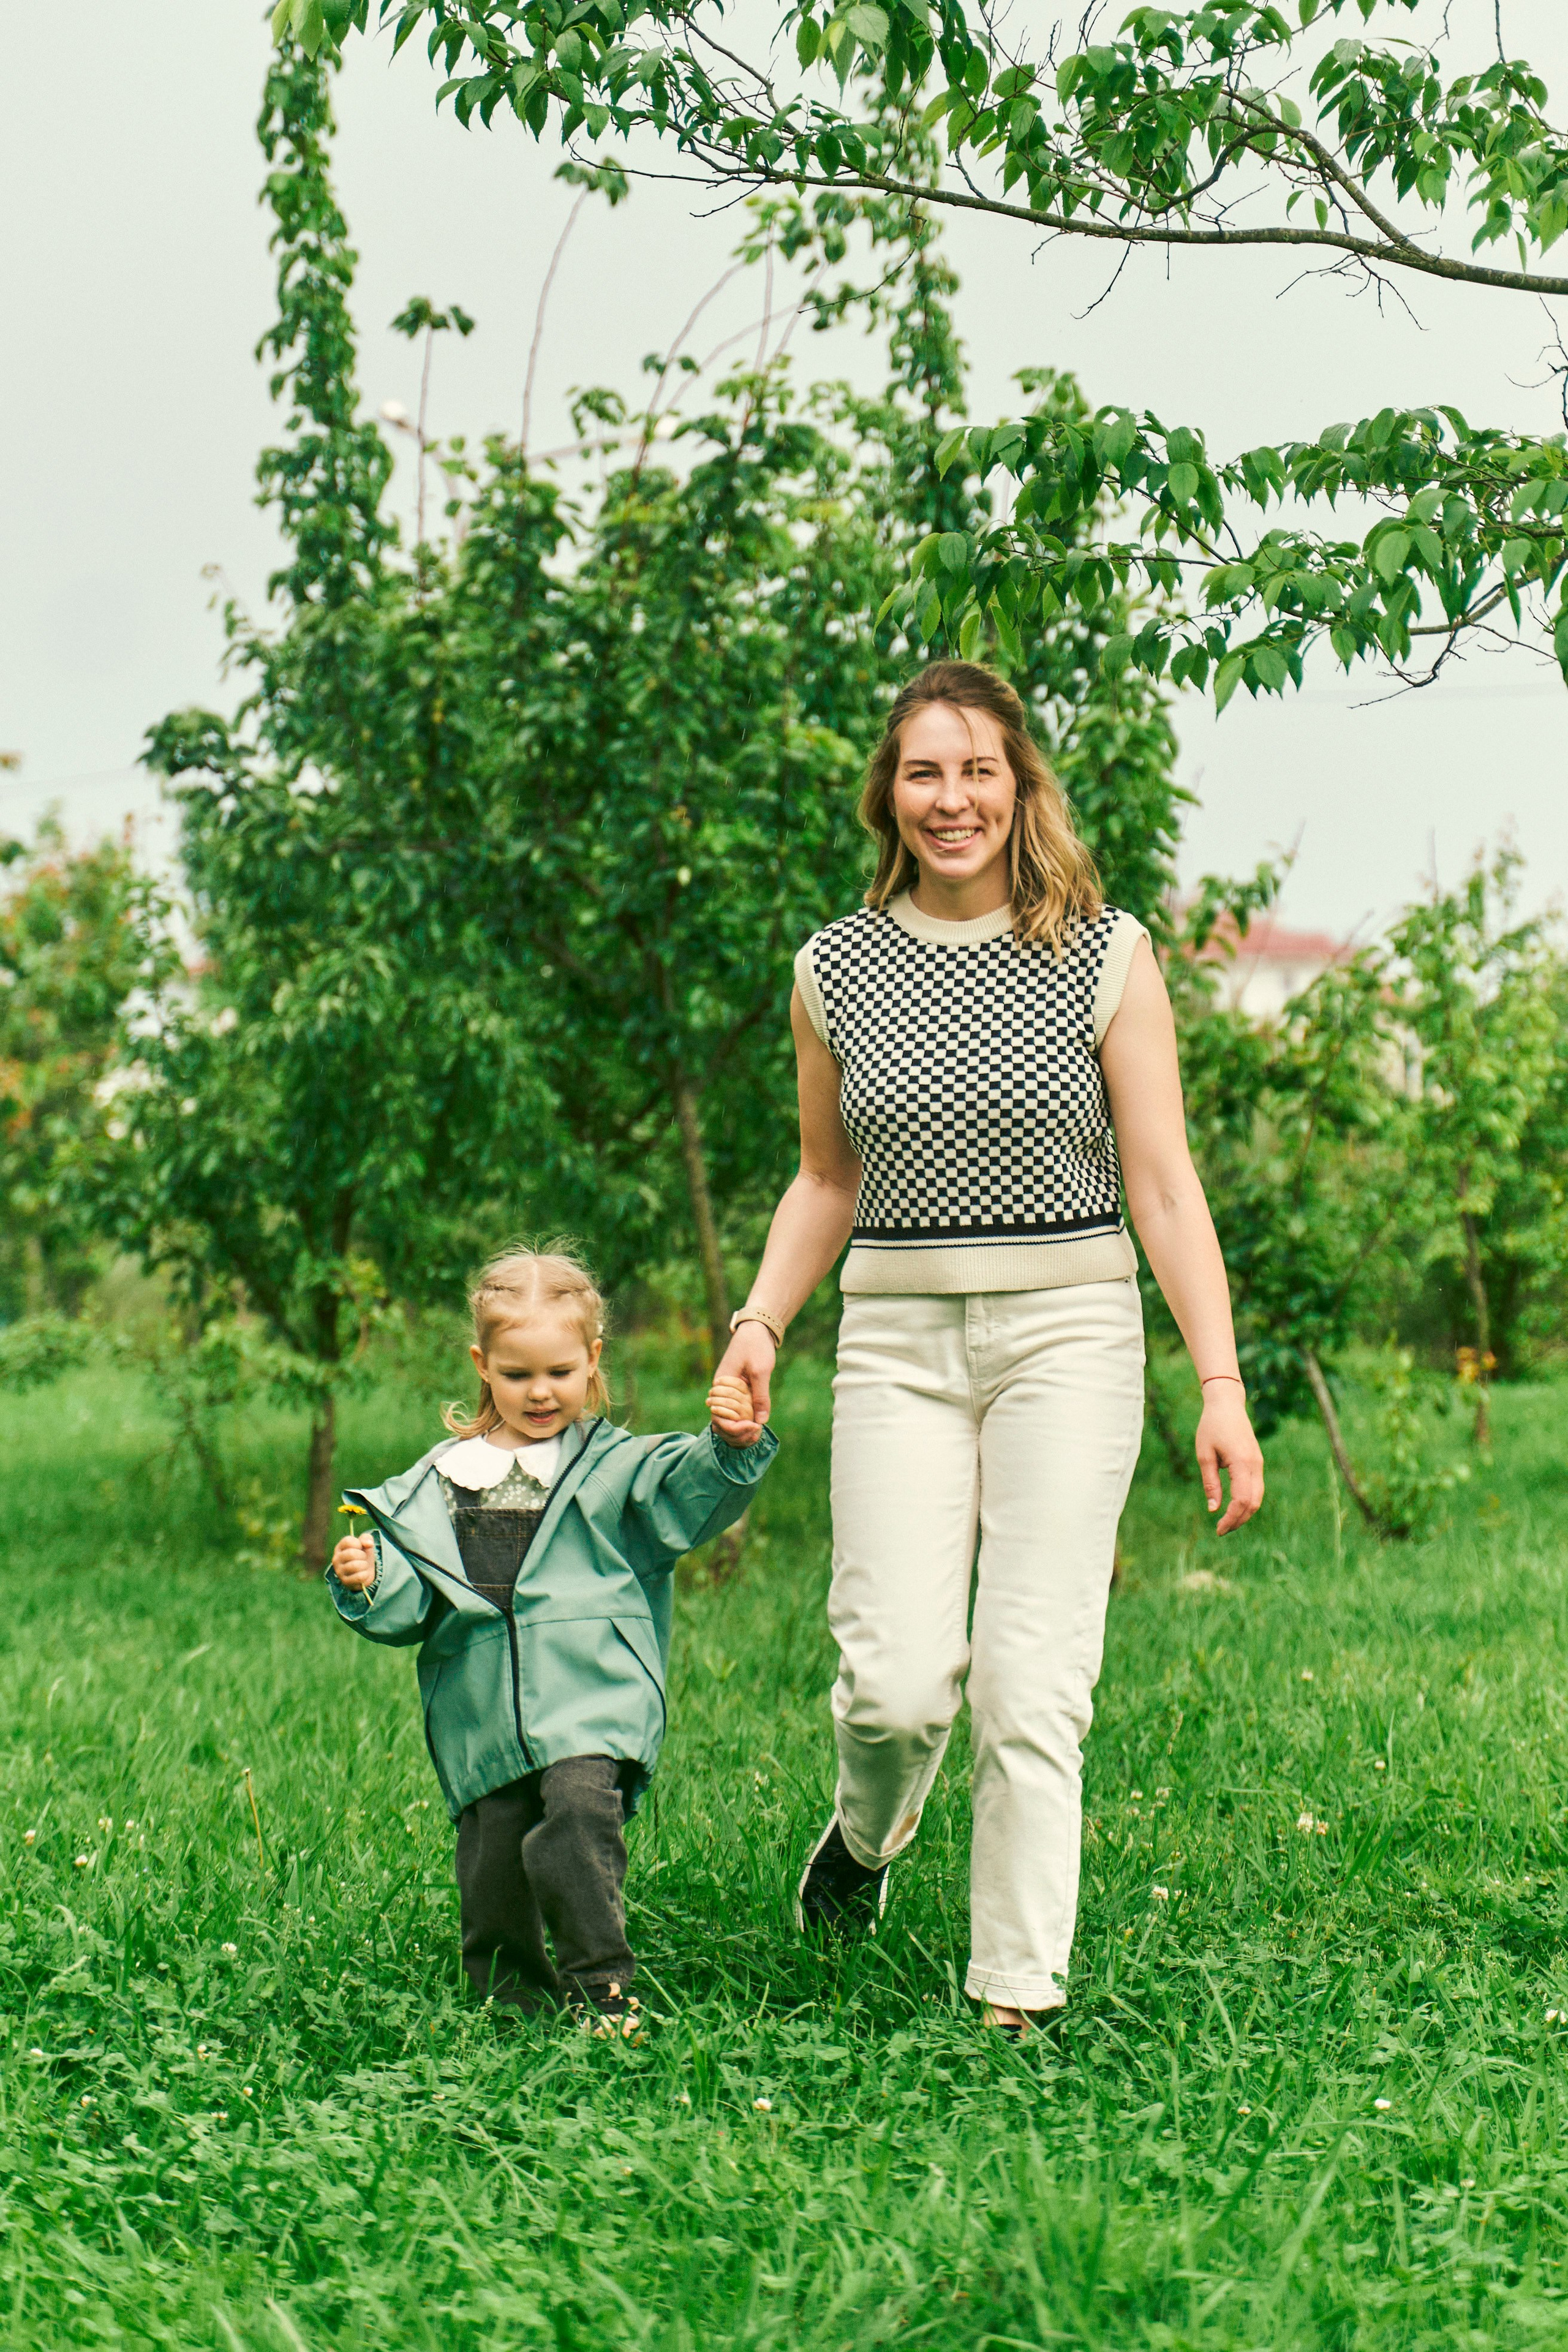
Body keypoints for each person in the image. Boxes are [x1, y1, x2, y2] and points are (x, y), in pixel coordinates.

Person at [712, 661, 1264, 2039]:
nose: (949, 799)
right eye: (921, 772)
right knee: (895, 1687)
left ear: (1019, 786)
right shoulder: (833, 966)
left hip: (1068, 1337)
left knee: (1031, 1678)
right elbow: (825, 1181)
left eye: (975, 770)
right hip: (895, 1342)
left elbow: (1164, 1184)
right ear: (887, 797)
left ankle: (1012, 1995)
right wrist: (758, 1321)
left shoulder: (1104, 953)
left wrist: (1218, 1385)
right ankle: (862, 1840)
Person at [327, 1245, 775, 2030]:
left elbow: (684, 1497)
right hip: (483, 1709)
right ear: (483, 1365)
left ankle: (602, 1986)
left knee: (575, 1815)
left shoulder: (615, 1468)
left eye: (561, 1373)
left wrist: (728, 1447)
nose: (540, 1393)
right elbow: (413, 1604)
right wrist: (369, 1580)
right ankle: (511, 2005)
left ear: (593, 1360)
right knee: (494, 1857)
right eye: (517, 1374)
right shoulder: (439, 1482)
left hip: (588, 1691)